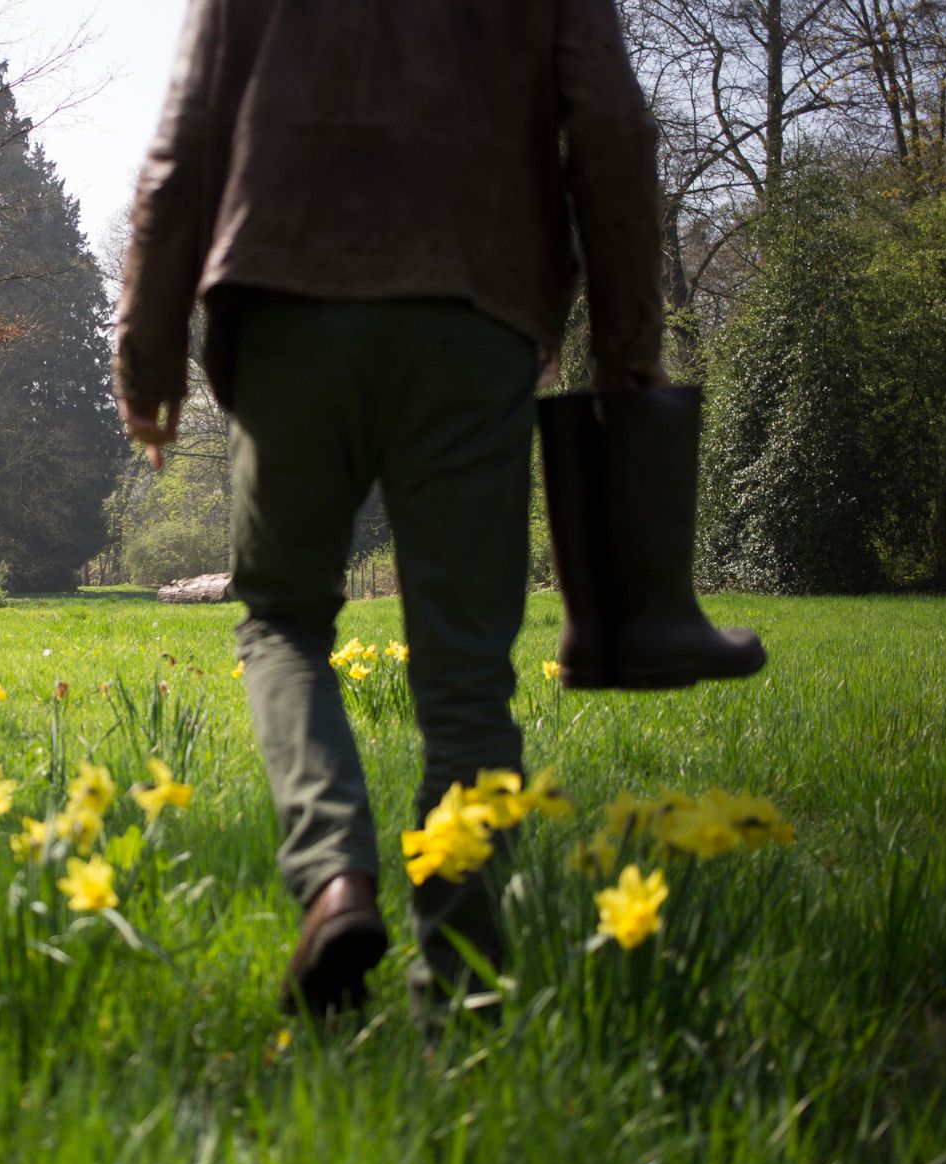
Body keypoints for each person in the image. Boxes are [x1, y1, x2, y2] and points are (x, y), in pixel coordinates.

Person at [113, 0, 712, 1021]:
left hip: (286, 299)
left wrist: (149, 351)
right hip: (470, 311)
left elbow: (184, 143)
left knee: (284, 620)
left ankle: (334, 879)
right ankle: (466, 997)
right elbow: (612, 125)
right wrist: (625, 347)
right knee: (467, 674)